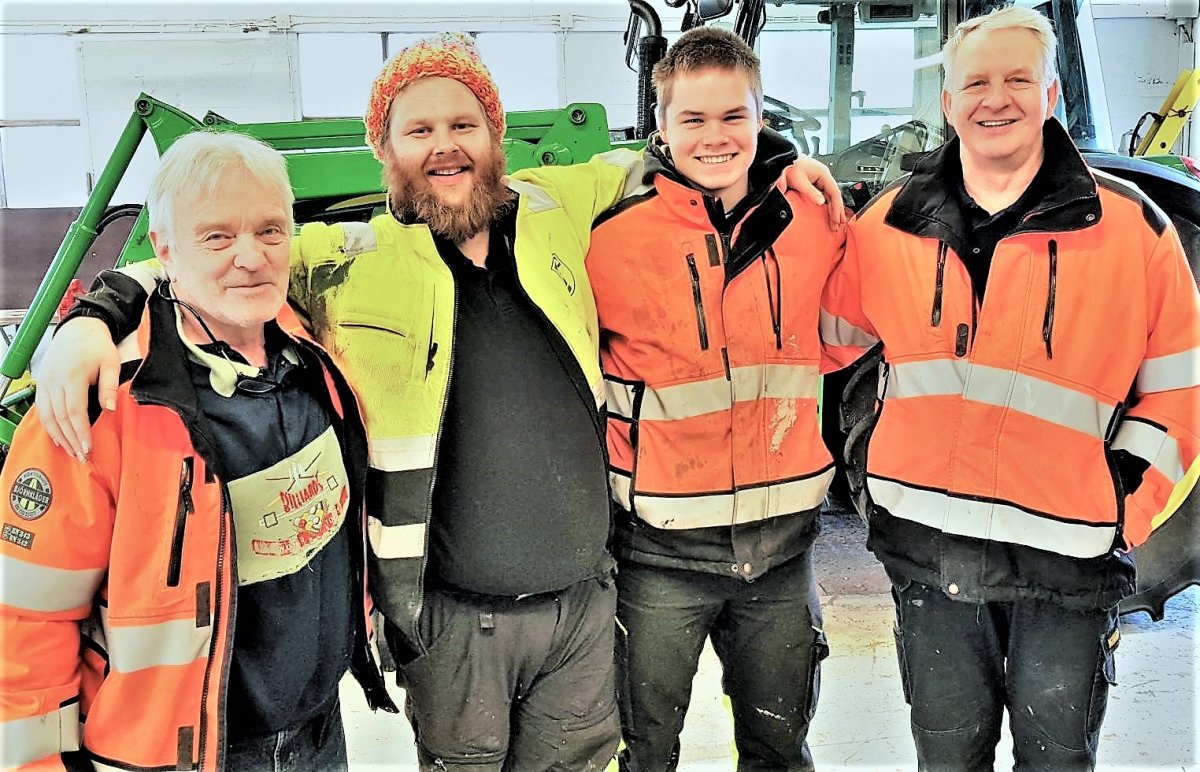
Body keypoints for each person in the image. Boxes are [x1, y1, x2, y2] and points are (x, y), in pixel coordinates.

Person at [30, 33, 843, 771]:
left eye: (464, 124)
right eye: (418, 130)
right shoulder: (348, 257)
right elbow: (221, 258)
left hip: (584, 610)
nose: (445, 144)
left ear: (495, 137)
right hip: (454, 627)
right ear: (384, 150)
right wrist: (98, 314)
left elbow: (682, 155)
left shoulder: (560, 207)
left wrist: (778, 163)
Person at [821, 6, 1200, 770]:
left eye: (1018, 79)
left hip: (1067, 563)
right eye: (976, 83)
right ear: (948, 101)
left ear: (1051, 93)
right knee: (947, 756)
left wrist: (1122, 509)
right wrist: (784, 198)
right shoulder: (889, 223)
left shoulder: (1134, 230)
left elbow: (1180, 390)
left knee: (1055, 758)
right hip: (929, 556)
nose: (995, 99)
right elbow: (822, 337)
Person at [0, 131, 396, 771]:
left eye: (270, 230)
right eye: (216, 237)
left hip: (320, 735)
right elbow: (24, 623)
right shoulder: (99, 403)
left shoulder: (311, 353)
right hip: (183, 756)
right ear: (165, 250)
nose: (251, 257)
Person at [586, 28, 844, 771]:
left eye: (735, 115)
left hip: (781, 553)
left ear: (762, 117)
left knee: (779, 751)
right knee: (643, 753)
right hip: (657, 554)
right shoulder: (610, 236)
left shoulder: (815, 222)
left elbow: (853, 340)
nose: (715, 136)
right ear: (660, 126)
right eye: (692, 119)